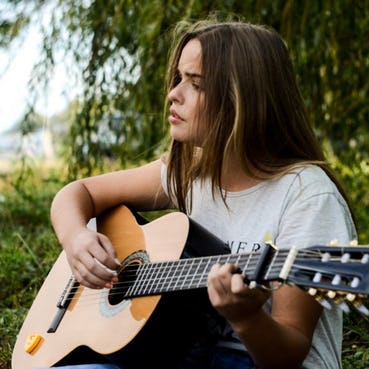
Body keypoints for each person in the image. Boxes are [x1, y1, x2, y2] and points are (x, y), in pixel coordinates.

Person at [43, 19, 356, 369]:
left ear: (244, 100)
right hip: (182, 354)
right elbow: (77, 192)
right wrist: (77, 239)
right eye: (179, 78)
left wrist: (247, 318)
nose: (173, 94)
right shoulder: (192, 171)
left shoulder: (308, 197)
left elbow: (288, 354)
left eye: (196, 84)